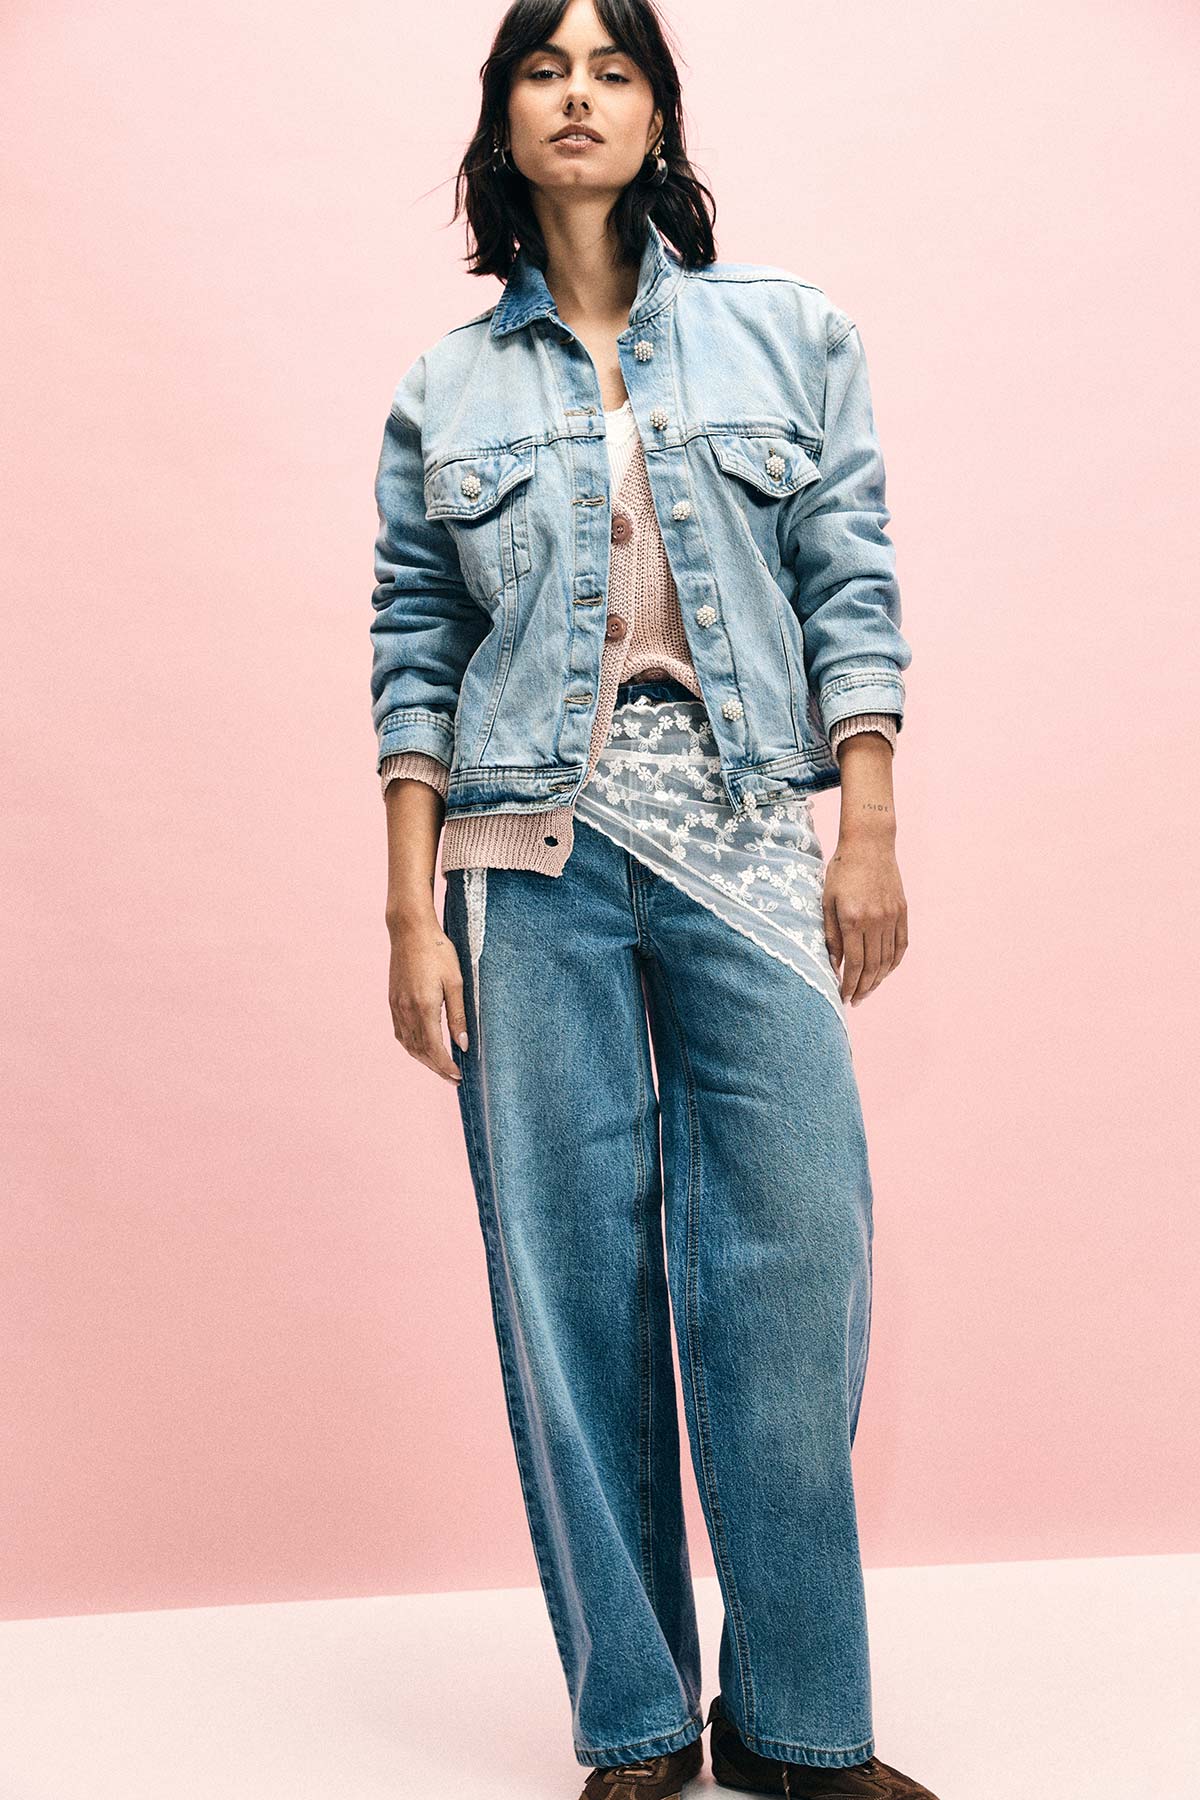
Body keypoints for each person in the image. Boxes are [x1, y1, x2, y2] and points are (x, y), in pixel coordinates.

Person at [370, 4, 937, 1796]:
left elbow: (851, 575)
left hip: (753, 827)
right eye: (546, 68)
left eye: (614, 67)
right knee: (570, 1287)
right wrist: (403, 916)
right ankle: (633, 1724)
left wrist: (872, 823)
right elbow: (412, 649)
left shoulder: (792, 331)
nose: (580, 97)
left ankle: (799, 1729)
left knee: (790, 1275)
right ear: (502, 118)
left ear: (659, 110)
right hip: (522, 868)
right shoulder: (443, 390)